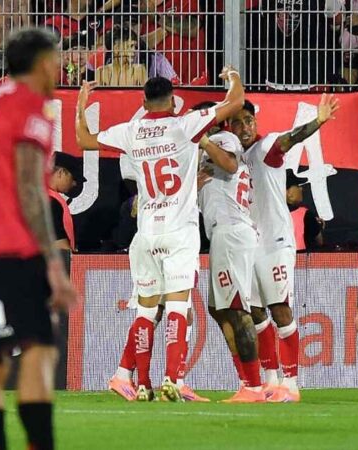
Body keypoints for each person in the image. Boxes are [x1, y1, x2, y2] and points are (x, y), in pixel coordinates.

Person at [75, 71, 245, 401]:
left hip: (146, 233)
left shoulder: (131, 131)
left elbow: (84, 140)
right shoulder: (185, 125)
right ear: (174, 102)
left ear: (143, 102)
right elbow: (235, 101)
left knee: (146, 311)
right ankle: (174, 379)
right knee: (179, 307)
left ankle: (140, 383)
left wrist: (81, 103)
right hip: (179, 231)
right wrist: (233, 76)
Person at [0, 27, 76, 450]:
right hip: (13, 244)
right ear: (42, 63)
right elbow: (29, 188)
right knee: (39, 351)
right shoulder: (32, 107)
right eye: (57, 60)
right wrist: (52, 264)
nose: (60, 68)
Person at [228, 94, 339, 402]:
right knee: (255, 312)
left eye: (248, 121)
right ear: (230, 128)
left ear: (255, 122)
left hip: (275, 242)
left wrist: (318, 121)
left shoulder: (266, 147)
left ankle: (291, 383)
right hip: (250, 244)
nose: (244, 127)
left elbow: (290, 139)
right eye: (237, 123)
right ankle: (271, 380)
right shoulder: (233, 158)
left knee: (280, 310)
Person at [193, 101, 265, 402]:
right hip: (224, 234)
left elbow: (231, 165)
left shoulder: (223, 139)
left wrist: (204, 139)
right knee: (218, 309)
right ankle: (246, 382)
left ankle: (255, 386)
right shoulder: (202, 151)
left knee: (236, 309)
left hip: (231, 231)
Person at [48, 153, 86, 251]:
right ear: (60, 173)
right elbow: (60, 246)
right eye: (73, 178)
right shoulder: (50, 202)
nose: (74, 184)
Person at [286, 179, 324, 251]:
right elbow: (319, 242)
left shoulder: (271, 212)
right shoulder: (306, 214)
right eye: (297, 186)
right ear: (287, 192)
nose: (301, 189)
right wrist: (318, 227)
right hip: (300, 256)